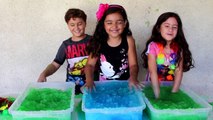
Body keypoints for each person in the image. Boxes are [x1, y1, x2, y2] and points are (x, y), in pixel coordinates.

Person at [85, 3, 141, 90]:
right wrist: (89, 81)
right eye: (109, 23)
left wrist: (133, 78)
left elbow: (133, 65)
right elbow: (90, 65)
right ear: (103, 24)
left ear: (125, 23)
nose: (114, 26)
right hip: (104, 86)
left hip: (125, 85)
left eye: (119, 22)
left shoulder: (129, 40)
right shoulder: (99, 41)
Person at [37, 8, 92, 95]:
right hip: (72, 88)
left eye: (80, 24)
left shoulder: (93, 41)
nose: (76, 28)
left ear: (85, 23)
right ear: (68, 25)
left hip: (91, 86)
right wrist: (44, 74)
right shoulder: (65, 45)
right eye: (72, 25)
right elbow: (55, 64)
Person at [141, 12, 194, 99]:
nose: (170, 30)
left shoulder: (179, 47)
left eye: (174, 27)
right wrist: (157, 96)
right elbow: (153, 72)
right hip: (153, 85)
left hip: (170, 85)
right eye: (167, 26)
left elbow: (178, 71)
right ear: (159, 28)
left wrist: (174, 92)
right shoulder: (153, 46)